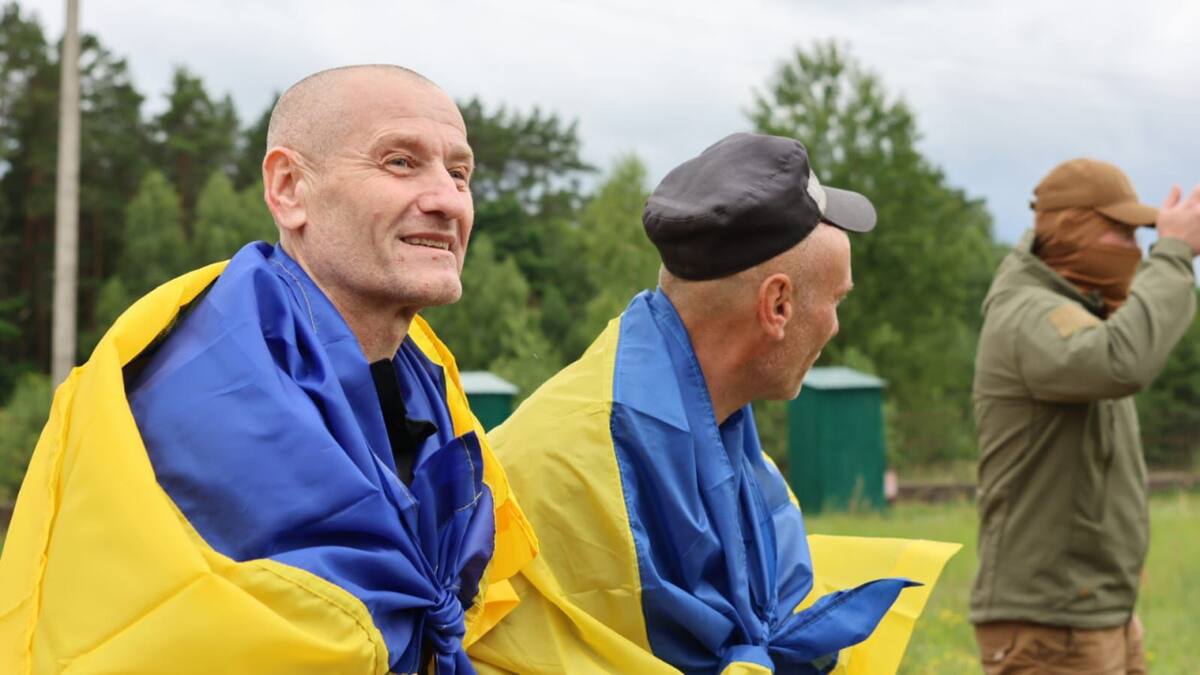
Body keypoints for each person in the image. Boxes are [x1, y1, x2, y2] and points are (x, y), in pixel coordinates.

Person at [0, 65, 536, 674]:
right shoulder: (207, 389)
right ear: (288, 188)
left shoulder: (425, 374)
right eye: (400, 163)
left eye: (459, 172)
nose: (447, 199)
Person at [469, 133, 959, 674]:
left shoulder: (712, 415)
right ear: (777, 304)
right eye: (836, 300)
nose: (836, 326)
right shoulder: (574, 462)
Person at [971, 159, 1200, 674]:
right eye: (1122, 231)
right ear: (1075, 229)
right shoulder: (1029, 314)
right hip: (1049, 625)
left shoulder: (1076, 316)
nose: (1136, 249)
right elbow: (1121, 361)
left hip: (1093, 617)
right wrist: (1176, 253)